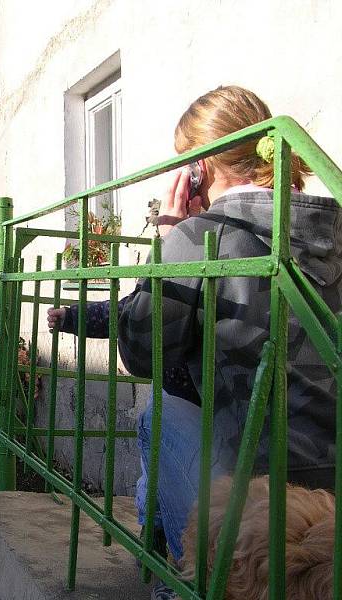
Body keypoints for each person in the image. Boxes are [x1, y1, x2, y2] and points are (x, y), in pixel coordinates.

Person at [48, 86, 339, 599]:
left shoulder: (201, 236)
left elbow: (142, 351)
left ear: (199, 168)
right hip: (328, 495)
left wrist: (170, 235)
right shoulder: (331, 228)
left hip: (261, 494)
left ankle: (169, 573)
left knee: (157, 411)